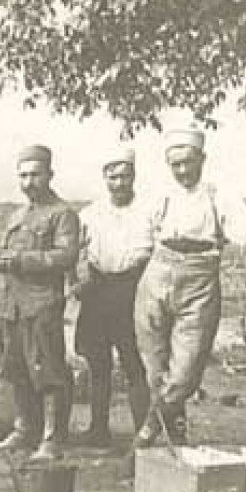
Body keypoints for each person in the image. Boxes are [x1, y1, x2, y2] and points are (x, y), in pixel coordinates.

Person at [134, 128, 246, 446]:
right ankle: (177, 444)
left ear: (202, 158)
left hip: (199, 282)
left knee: (185, 372)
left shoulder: (218, 195)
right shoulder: (160, 196)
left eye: (188, 162)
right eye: (176, 165)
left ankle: (145, 434)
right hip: (156, 276)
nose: (183, 171)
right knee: (154, 370)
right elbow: (138, 239)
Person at [0, 145, 81, 462]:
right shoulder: (17, 215)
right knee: (16, 369)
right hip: (12, 305)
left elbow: (66, 256)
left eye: (35, 175)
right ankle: (25, 429)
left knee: (47, 370)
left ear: (49, 175)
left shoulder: (62, 214)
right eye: (23, 175)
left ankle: (53, 438)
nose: (29, 182)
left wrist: (22, 260)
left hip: (42, 304)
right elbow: (0, 253)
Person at [72, 142, 154, 446]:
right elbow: (76, 252)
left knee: (134, 362)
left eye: (125, 176)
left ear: (134, 176)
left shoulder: (149, 211)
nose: (119, 183)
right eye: (113, 177)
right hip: (98, 289)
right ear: (104, 178)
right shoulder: (90, 214)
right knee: (98, 362)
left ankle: (143, 435)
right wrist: (78, 282)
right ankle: (98, 430)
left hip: (134, 288)